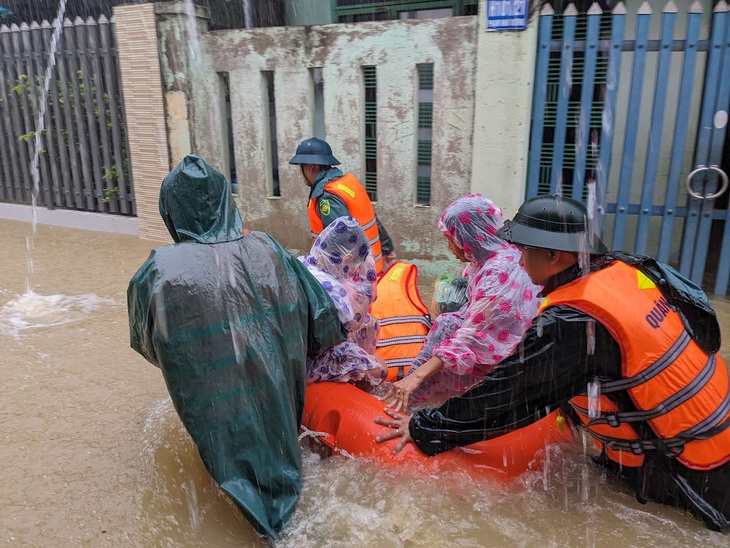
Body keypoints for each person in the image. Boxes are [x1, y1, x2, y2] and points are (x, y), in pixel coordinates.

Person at [375, 194, 730, 532]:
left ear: (556, 257)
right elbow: (705, 324)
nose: (517, 258)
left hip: (690, 473)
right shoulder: (632, 269)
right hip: (711, 429)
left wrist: (425, 428)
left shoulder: (573, 323)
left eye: (525, 250)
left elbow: (509, 396)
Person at [127, 155, 345, 539]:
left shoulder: (158, 269)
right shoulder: (269, 248)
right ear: (226, 202)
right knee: (285, 481)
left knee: (235, 473)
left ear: (171, 210)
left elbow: (146, 345)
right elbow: (322, 321)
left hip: (215, 406)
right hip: (276, 396)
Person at [380, 194, 541, 411]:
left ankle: (409, 401)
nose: (450, 248)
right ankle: (409, 394)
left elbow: (473, 336)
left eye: (451, 240)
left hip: (508, 362)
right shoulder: (497, 257)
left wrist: (417, 376)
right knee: (447, 324)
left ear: (471, 238)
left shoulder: (499, 273)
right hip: (507, 350)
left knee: (447, 329)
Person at [301, 215, 388, 386]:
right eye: (356, 265)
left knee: (370, 325)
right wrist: (367, 282)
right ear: (347, 259)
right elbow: (354, 324)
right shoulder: (332, 287)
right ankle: (356, 395)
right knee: (380, 369)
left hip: (302, 348)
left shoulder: (304, 263)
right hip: (308, 361)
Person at [289, 137, 396, 274]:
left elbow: (341, 244)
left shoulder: (328, 197)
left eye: (300, 167)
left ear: (311, 167)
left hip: (358, 277)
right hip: (372, 267)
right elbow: (372, 218)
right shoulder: (347, 184)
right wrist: (386, 247)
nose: (300, 173)